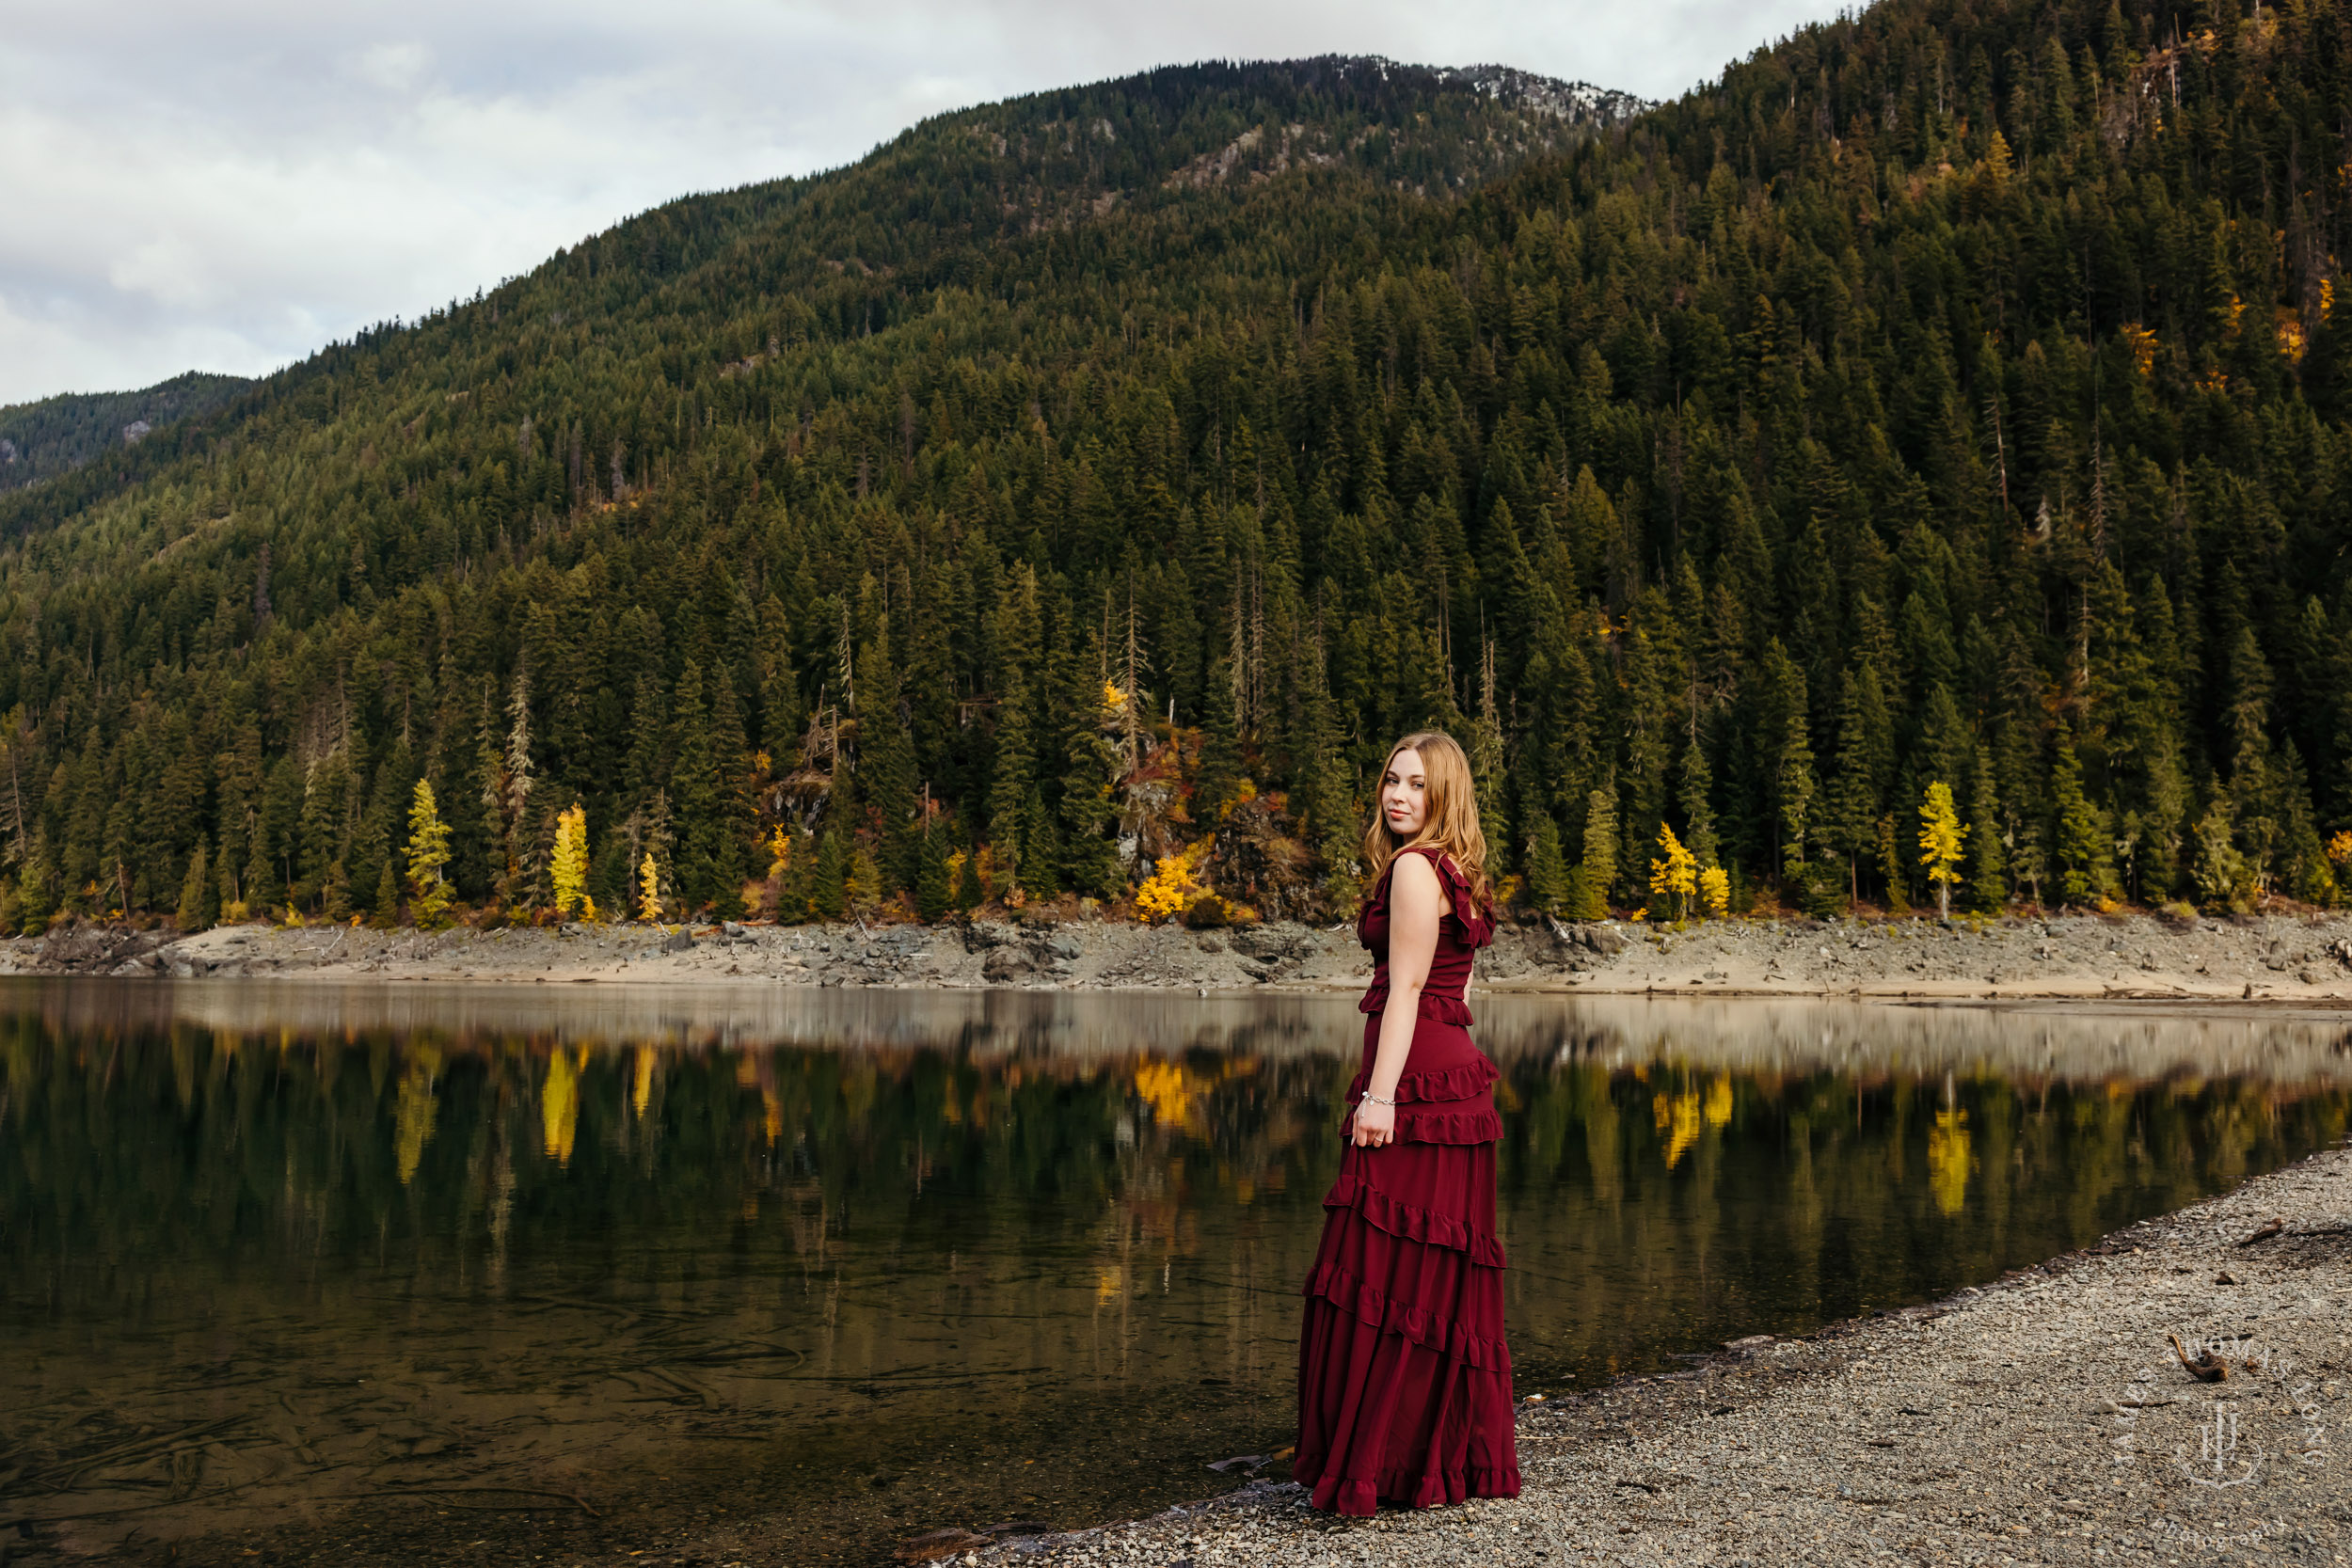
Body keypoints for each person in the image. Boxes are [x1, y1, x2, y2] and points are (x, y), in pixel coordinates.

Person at [1293, 730, 1520, 1514]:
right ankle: (1423, 1464)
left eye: (1417, 785)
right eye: (1391, 779)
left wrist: (1379, 1096)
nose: (1397, 795)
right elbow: (1446, 988)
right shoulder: (1452, 868)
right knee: (1423, 1281)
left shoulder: (1417, 868)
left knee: (1381, 1273)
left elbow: (1410, 987)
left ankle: (1382, 1465)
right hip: (1450, 1079)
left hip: (1420, 1089)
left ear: (1444, 795)